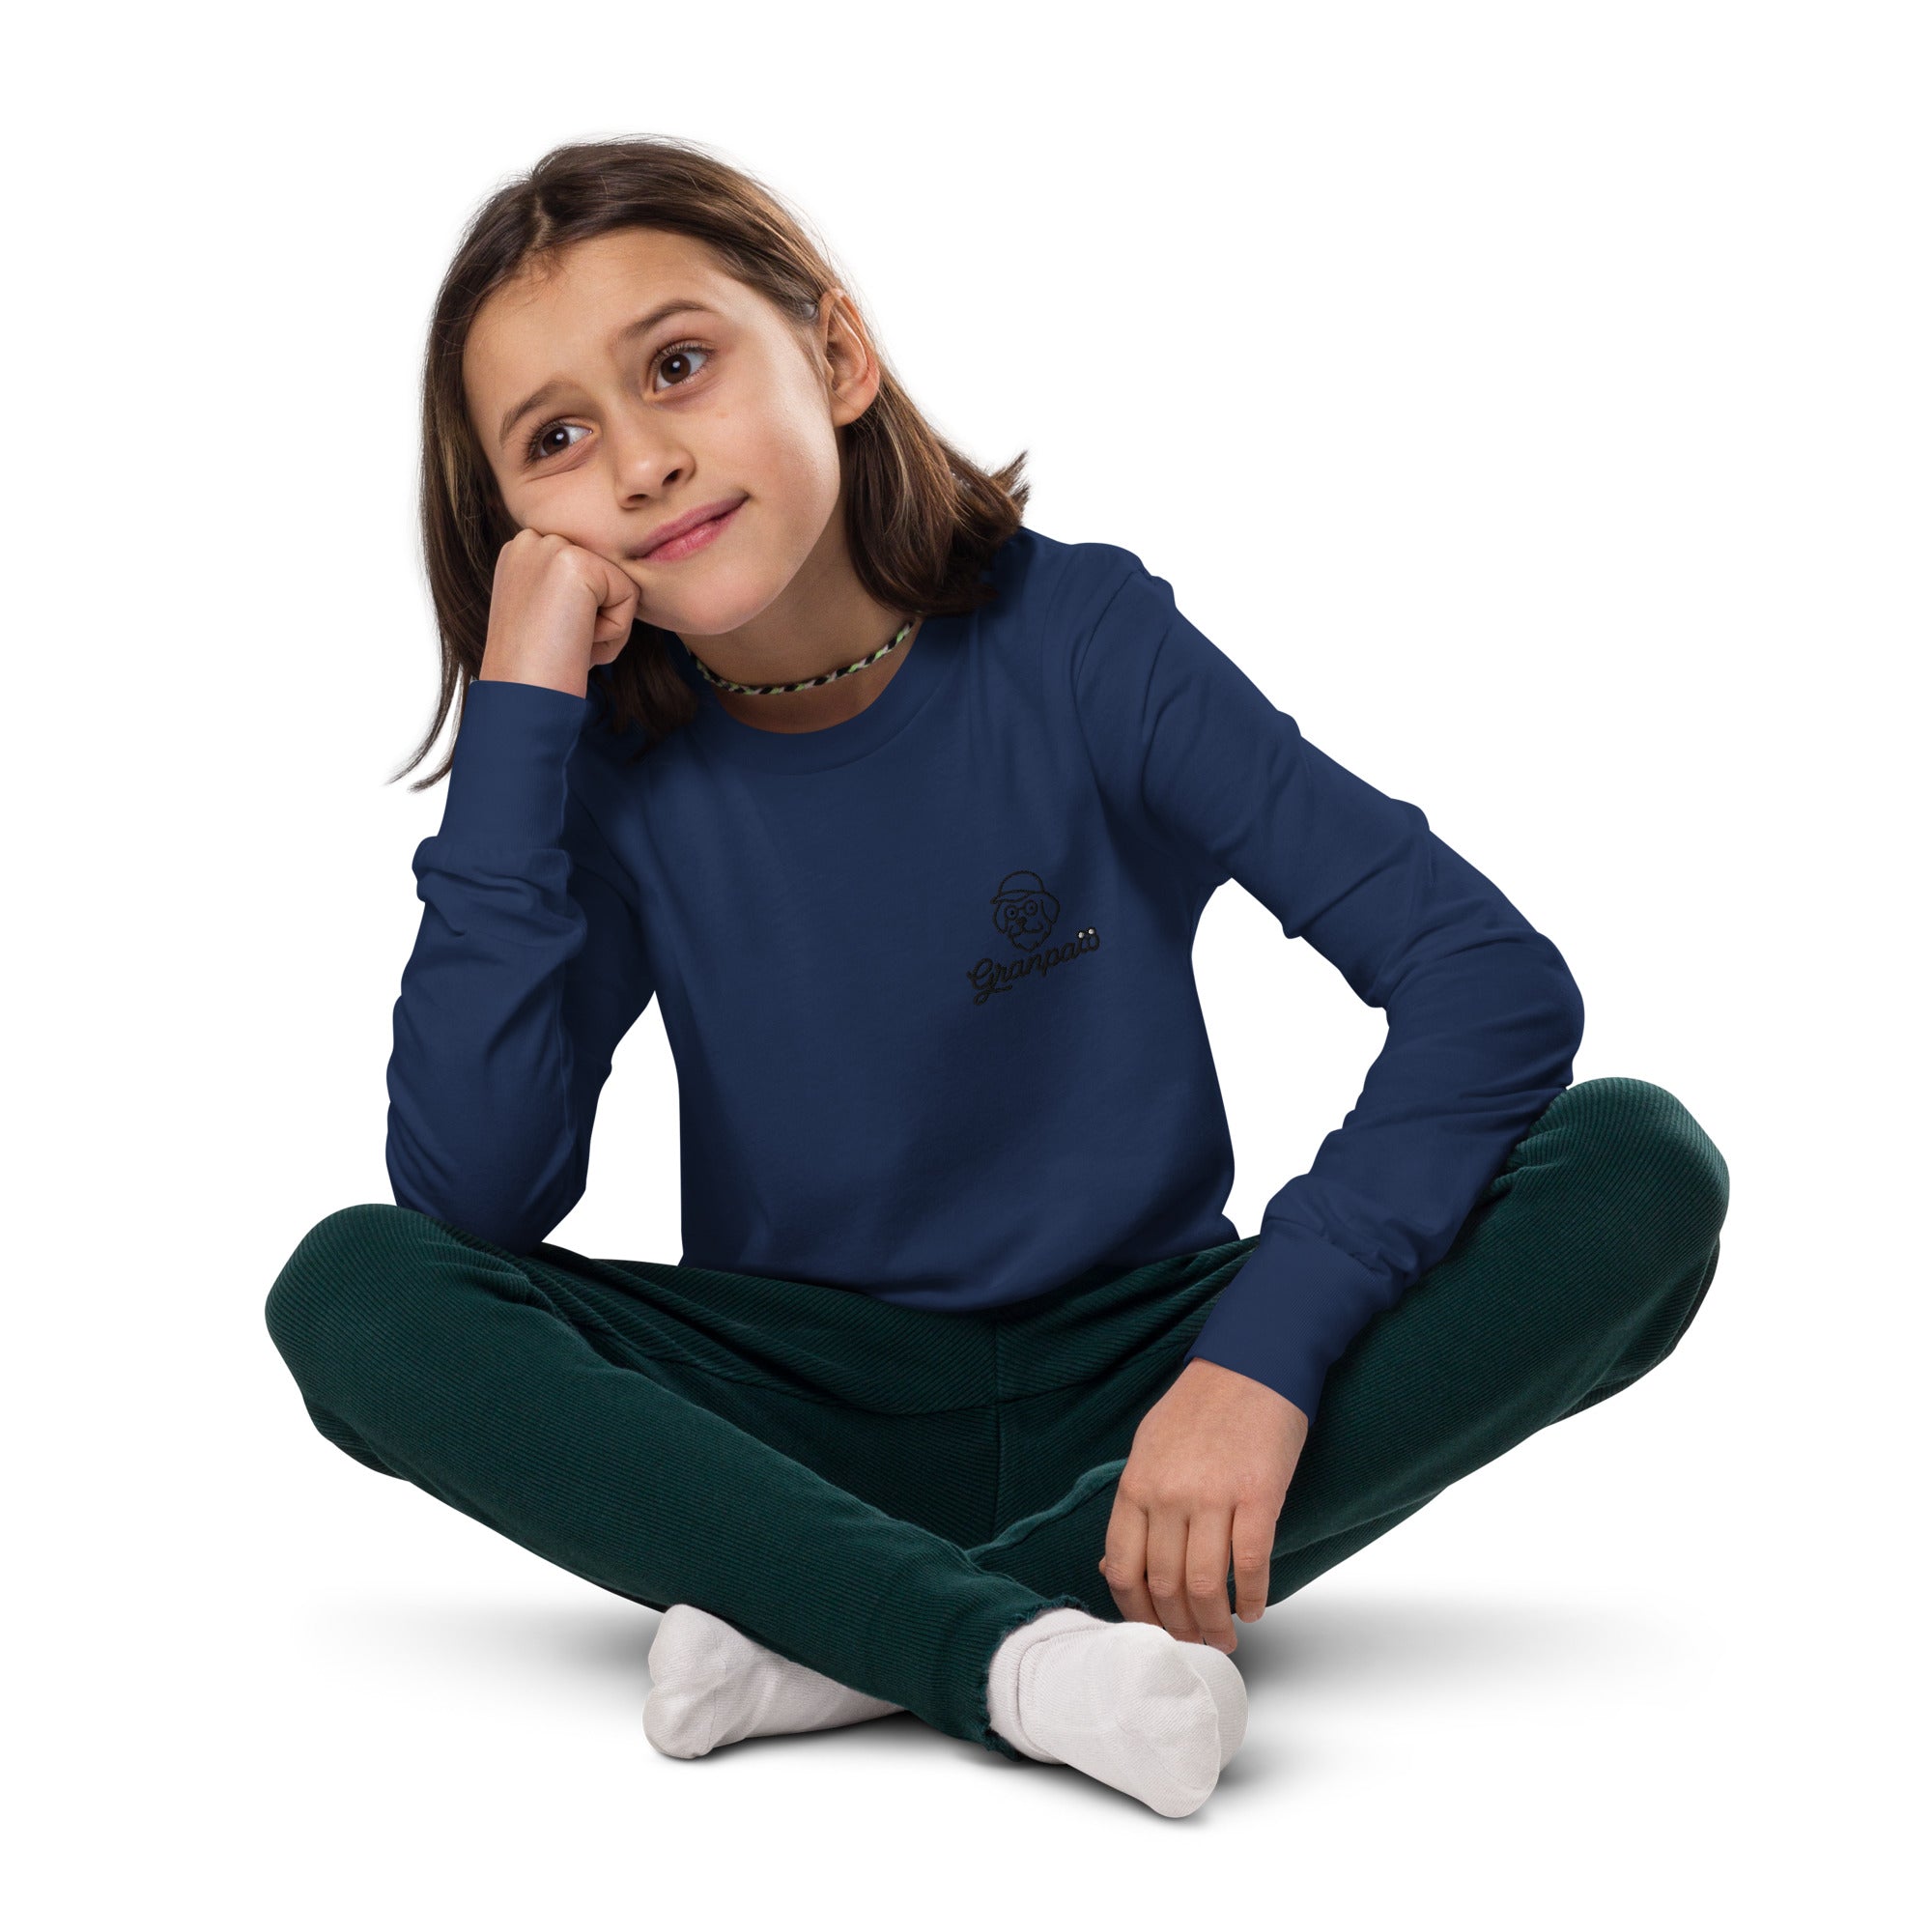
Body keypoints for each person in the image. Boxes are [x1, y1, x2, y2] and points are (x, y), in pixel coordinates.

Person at [264, 134, 1730, 1820]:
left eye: (680, 364)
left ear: (834, 352)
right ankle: (1018, 1649)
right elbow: (472, 1199)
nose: (646, 462)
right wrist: (522, 731)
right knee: (354, 1289)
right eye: (560, 439)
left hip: (1155, 1372)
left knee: (1640, 1177)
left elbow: (1485, 983)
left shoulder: (1085, 642)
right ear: (521, 522)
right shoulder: (597, 770)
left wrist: (1259, 1361)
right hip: (798, 1405)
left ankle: (851, 1632)